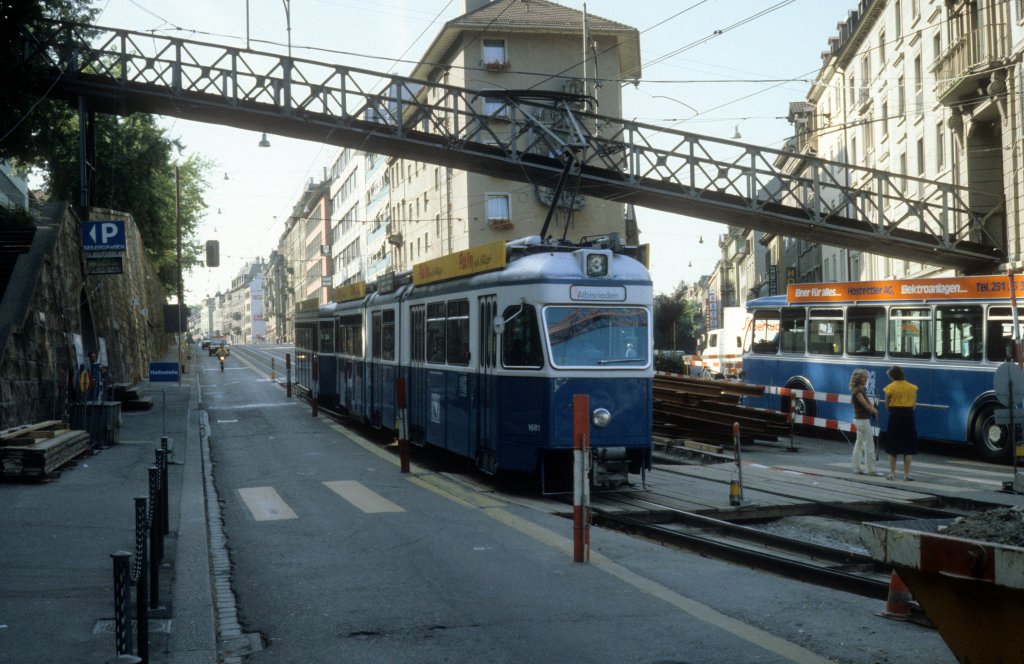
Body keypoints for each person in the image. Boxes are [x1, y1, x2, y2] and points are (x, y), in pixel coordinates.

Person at [882, 365, 918, 481]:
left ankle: (892, 473)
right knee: (908, 447)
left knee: (893, 446)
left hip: (895, 416)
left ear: (892, 376)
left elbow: (887, 405)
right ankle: (906, 475)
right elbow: (914, 405)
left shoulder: (889, 388)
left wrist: (893, 411)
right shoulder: (912, 387)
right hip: (908, 416)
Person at [849, 369, 879, 475]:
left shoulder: (860, 389)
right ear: (857, 378)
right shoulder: (858, 391)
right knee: (869, 445)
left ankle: (856, 467)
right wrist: (874, 411)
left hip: (860, 419)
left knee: (859, 444)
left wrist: (872, 408)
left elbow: (868, 403)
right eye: (863, 377)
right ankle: (871, 470)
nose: (865, 379)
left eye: (866, 377)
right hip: (862, 420)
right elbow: (865, 405)